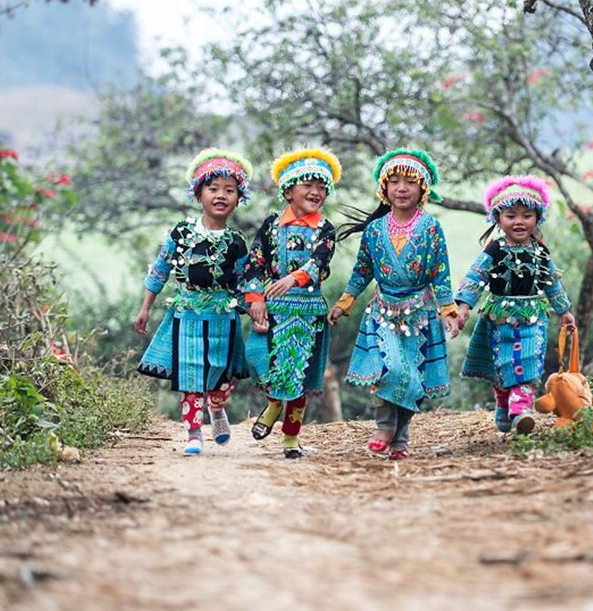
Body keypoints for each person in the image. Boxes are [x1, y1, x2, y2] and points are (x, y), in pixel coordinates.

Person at [327, 148, 459, 460]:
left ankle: (400, 440)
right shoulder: (374, 230)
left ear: (423, 189)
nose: (401, 188)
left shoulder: (430, 229)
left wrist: (449, 310)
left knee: (411, 376)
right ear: (384, 188)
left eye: (410, 182)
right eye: (395, 182)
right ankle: (385, 426)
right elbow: (362, 270)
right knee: (391, 369)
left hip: (420, 315)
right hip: (383, 312)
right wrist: (344, 302)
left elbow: (440, 273)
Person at [135, 148, 253, 455]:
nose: (221, 196)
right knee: (189, 373)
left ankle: (217, 410)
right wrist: (146, 307)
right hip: (186, 313)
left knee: (221, 372)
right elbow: (160, 268)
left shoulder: (237, 242)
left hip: (223, 318)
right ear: (198, 193)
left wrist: (255, 308)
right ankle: (193, 434)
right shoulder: (182, 233)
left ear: (239, 199)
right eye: (212, 189)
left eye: (230, 190)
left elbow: (244, 283)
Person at [454, 175, 575, 434]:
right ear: (498, 218)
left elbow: (552, 283)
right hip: (498, 318)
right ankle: (503, 403)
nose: (519, 222)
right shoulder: (494, 250)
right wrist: (463, 306)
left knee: (529, 361)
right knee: (502, 364)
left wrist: (564, 311)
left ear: (537, 218)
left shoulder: (541, 252)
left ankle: (520, 412)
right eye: (511, 215)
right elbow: (476, 277)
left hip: (532, 317)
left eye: (527, 215)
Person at [242, 148, 340, 459]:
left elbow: (320, 261)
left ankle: (290, 440)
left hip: (308, 311)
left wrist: (294, 279)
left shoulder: (325, 229)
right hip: (274, 309)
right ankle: (272, 405)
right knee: (266, 362)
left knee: (301, 373)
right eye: (307, 185)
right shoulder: (271, 226)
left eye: (322, 187)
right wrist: (255, 299)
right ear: (288, 190)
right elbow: (255, 262)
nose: (316, 192)